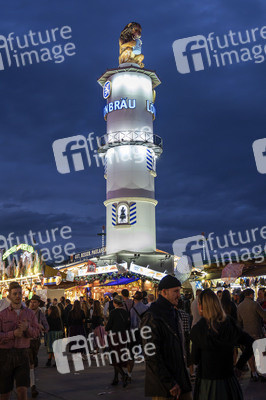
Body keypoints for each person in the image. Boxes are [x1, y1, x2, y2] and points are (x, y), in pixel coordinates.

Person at [191, 289, 254, 400]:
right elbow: (251, 343)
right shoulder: (229, 324)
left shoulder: (198, 329)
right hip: (229, 380)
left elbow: (195, 359)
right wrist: (239, 366)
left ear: (201, 306)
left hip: (207, 383)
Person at [141, 275, 192, 400]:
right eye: (175, 291)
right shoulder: (152, 316)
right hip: (164, 385)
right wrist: (168, 382)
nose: (178, 295)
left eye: (179, 291)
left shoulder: (174, 312)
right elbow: (151, 354)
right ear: (164, 292)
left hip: (179, 377)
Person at [0, 282, 40, 400]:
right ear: (9, 295)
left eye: (19, 293)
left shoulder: (29, 313)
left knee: (22, 391)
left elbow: (36, 332)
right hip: (5, 355)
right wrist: (12, 334)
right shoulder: (2, 314)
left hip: (22, 353)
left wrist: (27, 328)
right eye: (15, 293)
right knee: (5, 393)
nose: (18, 296)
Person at [237, 288, 266, 381]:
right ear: (251, 295)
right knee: (261, 352)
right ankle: (262, 372)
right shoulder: (255, 304)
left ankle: (253, 372)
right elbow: (264, 315)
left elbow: (239, 322)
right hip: (257, 332)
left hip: (246, 333)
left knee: (250, 354)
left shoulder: (240, 306)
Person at [105, 295, 130, 387]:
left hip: (115, 336)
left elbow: (108, 327)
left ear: (115, 303)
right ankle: (115, 378)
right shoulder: (125, 312)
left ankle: (123, 375)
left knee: (115, 358)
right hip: (123, 336)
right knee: (119, 357)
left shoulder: (113, 312)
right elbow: (128, 324)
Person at [28, 295, 49, 398]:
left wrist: (43, 328)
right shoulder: (25, 313)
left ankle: (31, 380)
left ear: (38, 304)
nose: (32, 304)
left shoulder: (40, 314)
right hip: (26, 340)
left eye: (34, 302)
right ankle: (32, 386)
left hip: (36, 341)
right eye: (31, 302)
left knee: (32, 361)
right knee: (30, 362)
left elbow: (46, 326)